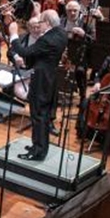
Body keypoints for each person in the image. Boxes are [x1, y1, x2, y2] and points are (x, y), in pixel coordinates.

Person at [9, 9, 67, 160]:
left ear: (47, 23)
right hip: (51, 78)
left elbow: (24, 51)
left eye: (40, 21)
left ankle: (38, 151)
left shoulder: (46, 40)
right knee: (44, 115)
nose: (39, 24)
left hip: (41, 80)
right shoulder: (61, 33)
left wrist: (14, 34)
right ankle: (38, 146)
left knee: (38, 115)